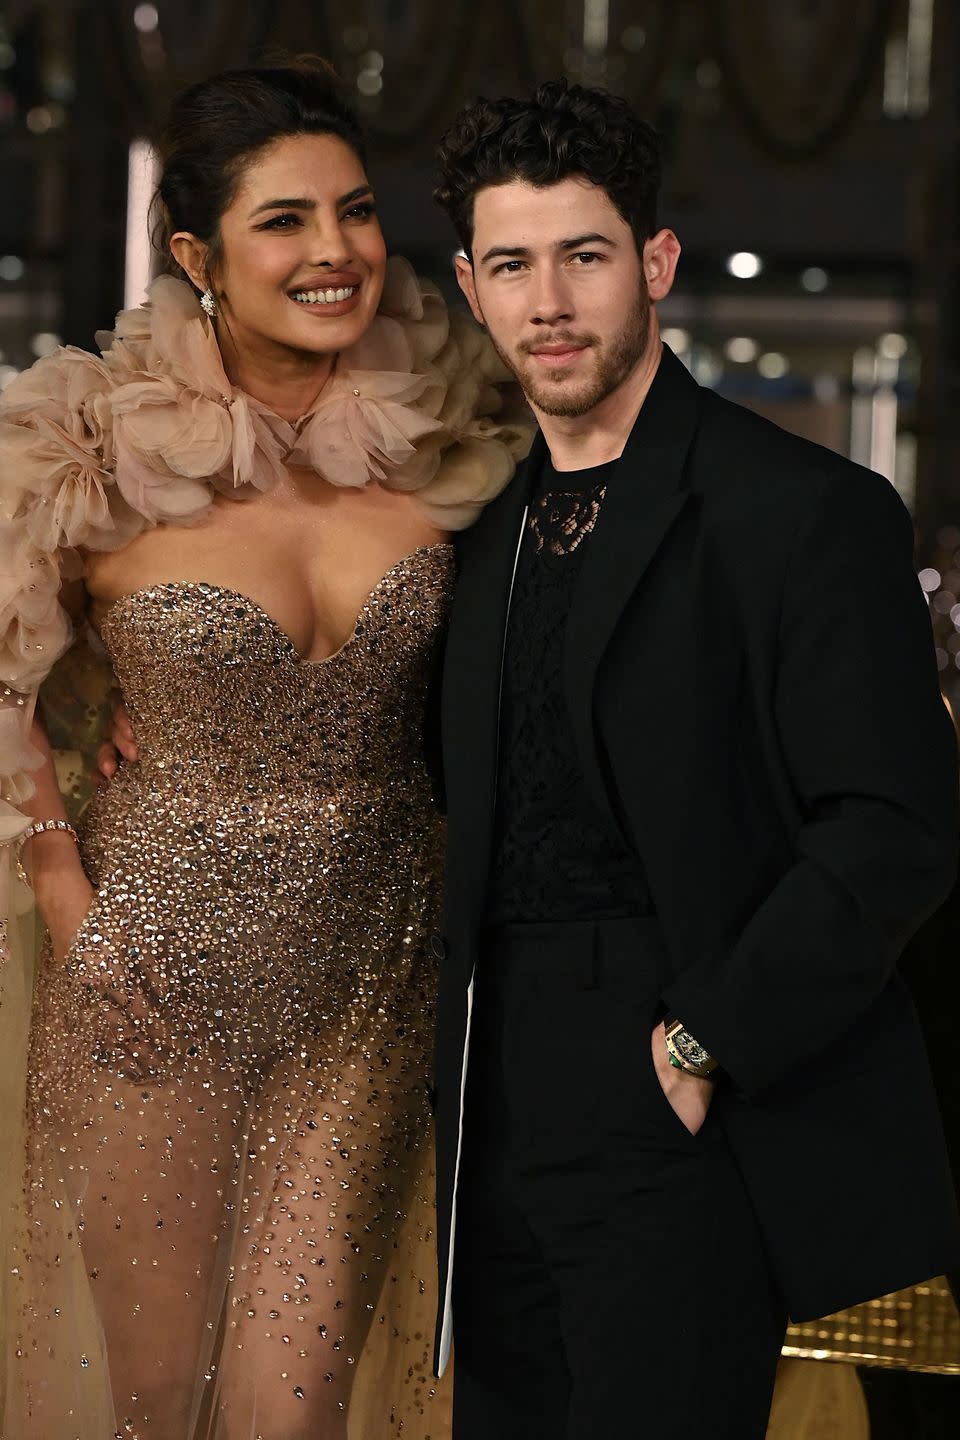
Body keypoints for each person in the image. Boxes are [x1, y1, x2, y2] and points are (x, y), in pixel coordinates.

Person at [0, 60, 527, 1440]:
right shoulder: (94, 448)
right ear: (197, 256)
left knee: (288, 1415)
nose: (337, 251)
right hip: (155, 971)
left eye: (354, 213)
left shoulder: (442, 434)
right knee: (159, 1398)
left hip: (372, 974)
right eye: (284, 222)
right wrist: (66, 893)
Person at [428, 80, 960, 1438]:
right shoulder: (471, 535)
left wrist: (707, 1035)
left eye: (584, 255)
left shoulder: (808, 513)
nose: (548, 302)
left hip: (680, 1075)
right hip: (487, 1108)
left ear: (654, 263)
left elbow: (893, 823)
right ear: (470, 289)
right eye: (511, 264)